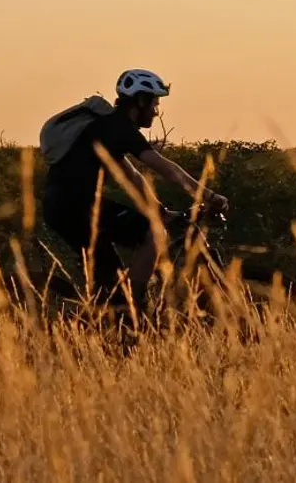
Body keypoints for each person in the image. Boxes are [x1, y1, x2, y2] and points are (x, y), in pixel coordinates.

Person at [39, 69, 227, 308]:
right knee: (154, 234)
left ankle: (109, 314)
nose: (156, 111)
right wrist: (208, 195)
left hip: (63, 207)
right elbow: (166, 168)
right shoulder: (118, 128)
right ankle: (132, 307)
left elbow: (134, 178)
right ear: (139, 101)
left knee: (112, 280)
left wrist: (159, 210)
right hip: (75, 207)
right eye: (154, 104)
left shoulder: (107, 130)